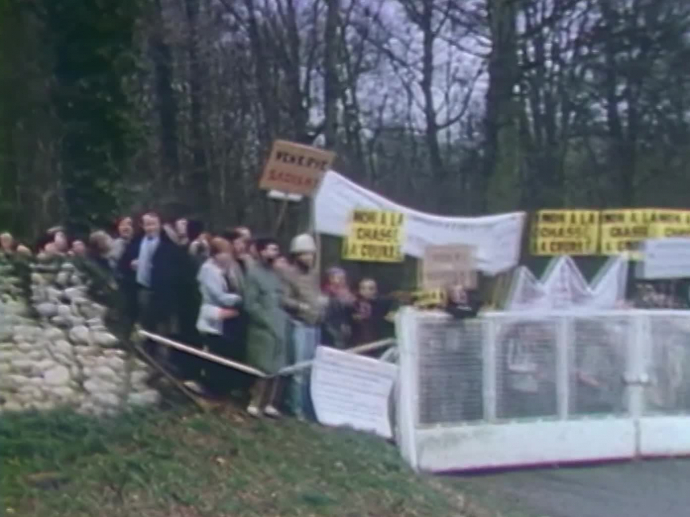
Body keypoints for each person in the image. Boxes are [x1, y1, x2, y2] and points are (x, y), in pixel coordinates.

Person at [118, 212, 182, 357]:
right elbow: (122, 264)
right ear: (142, 226)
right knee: (145, 325)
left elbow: (175, 269)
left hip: (162, 293)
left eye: (153, 224)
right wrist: (130, 265)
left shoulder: (167, 245)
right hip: (141, 289)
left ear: (160, 225)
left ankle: (163, 359)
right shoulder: (136, 243)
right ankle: (146, 355)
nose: (150, 228)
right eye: (147, 224)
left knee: (162, 329)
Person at [191, 237, 243, 395]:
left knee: (222, 351)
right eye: (224, 254)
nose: (228, 257)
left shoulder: (226, 270)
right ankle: (207, 385)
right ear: (215, 254)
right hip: (212, 313)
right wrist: (239, 299)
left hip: (225, 317)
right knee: (212, 350)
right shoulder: (209, 270)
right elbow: (219, 296)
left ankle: (221, 387)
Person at [244, 237, 289, 418]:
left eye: (276, 250)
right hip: (262, 327)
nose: (274, 254)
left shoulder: (276, 275)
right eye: (271, 249)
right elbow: (250, 304)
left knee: (278, 366)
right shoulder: (253, 274)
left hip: (279, 323)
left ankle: (270, 403)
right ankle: (255, 402)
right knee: (262, 366)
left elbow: (281, 299)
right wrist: (265, 321)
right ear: (261, 252)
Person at [282, 234, 323, 419]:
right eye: (304, 254)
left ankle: (308, 407)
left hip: (315, 324)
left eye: (311, 254)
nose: (309, 258)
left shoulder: (314, 275)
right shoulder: (288, 273)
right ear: (296, 255)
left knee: (310, 369)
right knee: (298, 368)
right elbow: (284, 299)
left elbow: (315, 295)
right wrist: (300, 306)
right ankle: (295, 407)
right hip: (298, 324)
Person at [351, 277, 394, 347]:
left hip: (379, 341)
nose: (367, 291)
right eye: (363, 288)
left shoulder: (384, 302)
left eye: (371, 289)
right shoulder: (353, 304)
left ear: (376, 290)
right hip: (359, 342)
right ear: (359, 290)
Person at [322, 267, 355, 349]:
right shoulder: (327, 291)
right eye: (339, 278)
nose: (341, 280)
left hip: (345, 325)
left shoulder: (346, 291)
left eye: (343, 278)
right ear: (330, 279)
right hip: (331, 326)